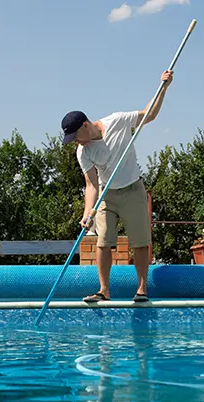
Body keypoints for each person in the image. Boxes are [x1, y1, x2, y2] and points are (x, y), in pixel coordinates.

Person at [60, 70, 174, 303]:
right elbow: (91, 185)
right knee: (103, 242)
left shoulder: (117, 121)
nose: (76, 142)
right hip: (106, 195)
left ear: (85, 125)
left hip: (133, 190)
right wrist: (87, 214)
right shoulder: (83, 151)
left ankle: (142, 289)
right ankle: (104, 291)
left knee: (140, 242)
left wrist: (163, 87)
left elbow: (148, 115)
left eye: (76, 136)